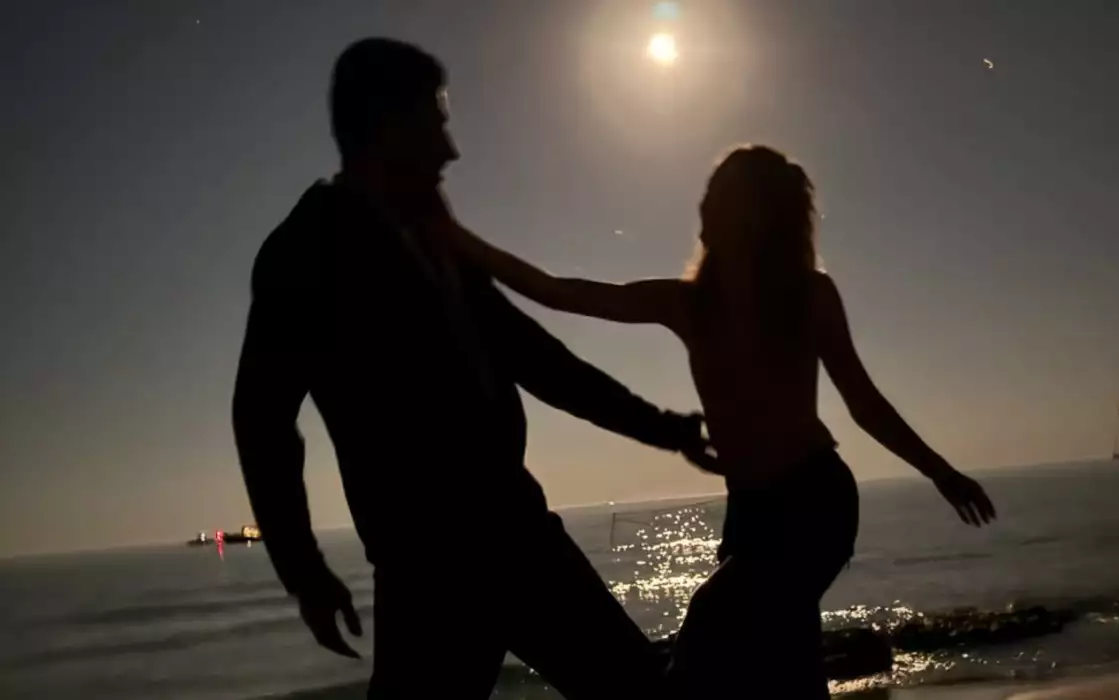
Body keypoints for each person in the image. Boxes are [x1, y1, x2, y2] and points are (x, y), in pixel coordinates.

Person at [231, 38, 714, 699]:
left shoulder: (438, 242)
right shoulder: (305, 249)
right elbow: (262, 421)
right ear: (387, 125)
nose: (451, 150)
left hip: (520, 539)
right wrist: (304, 571)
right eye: (435, 123)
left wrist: (665, 429)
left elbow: (540, 360)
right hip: (429, 573)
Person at [438, 144, 998, 698]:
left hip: (814, 502)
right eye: (708, 195)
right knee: (788, 664)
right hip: (751, 512)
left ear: (758, 214)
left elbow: (864, 402)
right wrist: (456, 239)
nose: (705, 207)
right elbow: (559, 293)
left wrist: (940, 472)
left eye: (722, 197)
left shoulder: (809, 294)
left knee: (708, 626)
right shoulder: (688, 303)